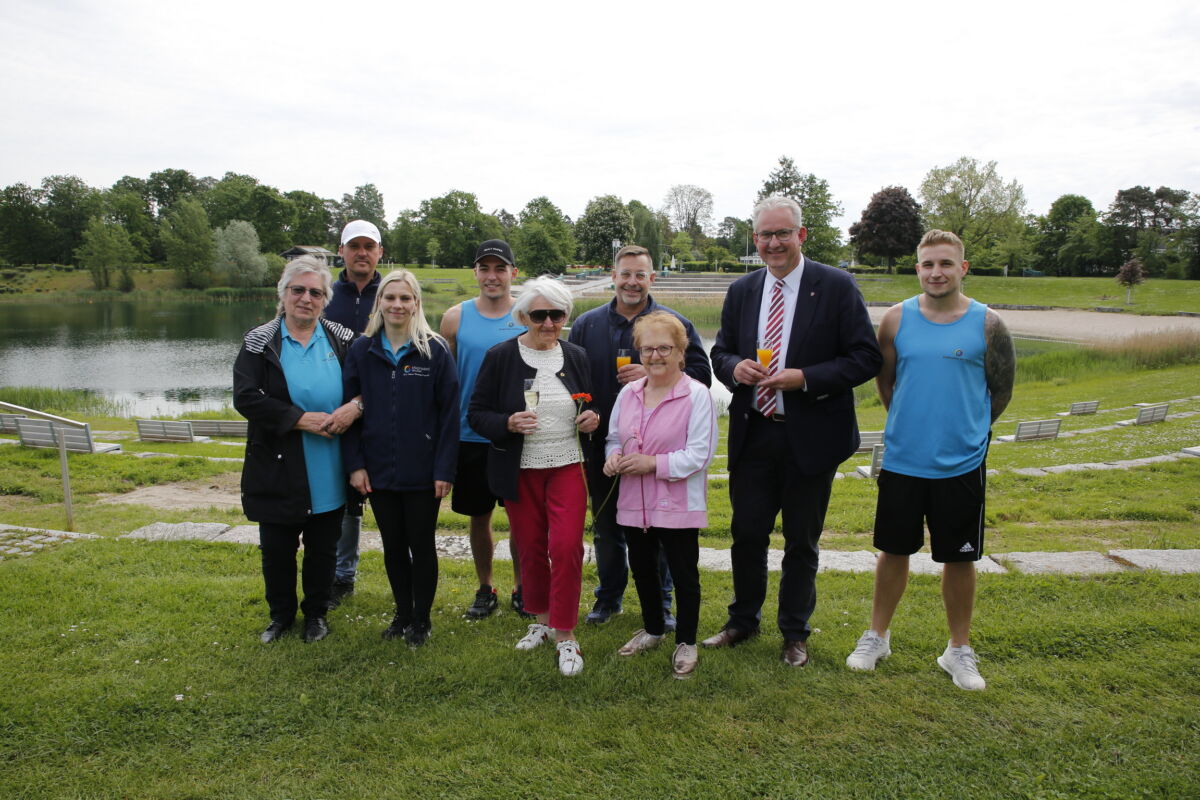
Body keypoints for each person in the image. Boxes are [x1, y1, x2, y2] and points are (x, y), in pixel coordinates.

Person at [706, 195, 882, 666]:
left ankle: (794, 632)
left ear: (801, 236)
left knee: (801, 541)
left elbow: (866, 357)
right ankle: (742, 621)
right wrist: (733, 368)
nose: (773, 243)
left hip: (810, 434)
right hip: (754, 430)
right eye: (765, 235)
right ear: (755, 239)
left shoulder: (837, 286)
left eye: (782, 233)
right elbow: (719, 352)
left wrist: (804, 378)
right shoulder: (743, 290)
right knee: (747, 535)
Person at [845, 229, 1014, 690]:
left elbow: (1000, 392)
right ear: (917, 268)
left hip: (961, 463)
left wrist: (967, 431)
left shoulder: (988, 324)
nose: (936, 272)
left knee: (959, 558)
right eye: (927, 264)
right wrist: (912, 423)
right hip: (903, 459)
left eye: (945, 263)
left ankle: (958, 649)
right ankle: (877, 636)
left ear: (963, 268)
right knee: (892, 551)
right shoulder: (896, 320)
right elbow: (886, 384)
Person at [568, 244, 711, 628]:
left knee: (661, 529)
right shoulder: (588, 323)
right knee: (607, 525)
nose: (632, 282)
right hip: (605, 443)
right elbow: (574, 379)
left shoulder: (673, 322)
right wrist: (588, 413)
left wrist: (654, 375)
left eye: (640, 274)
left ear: (652, 278)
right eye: (625, 274)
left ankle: (661, 604)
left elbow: (700, 374)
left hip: (663, 445)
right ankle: (609, 596)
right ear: (613, 277)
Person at [468, 277, 600, 676]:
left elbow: (588, 406)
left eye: (556, 314)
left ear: (565, 316)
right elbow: (476, 414)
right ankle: (541, 620)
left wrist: (592, 419)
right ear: (523, 315)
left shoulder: (576, 355)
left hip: (566, 464)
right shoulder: (501, 356)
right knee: (529, 547)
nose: (548, 322)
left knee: (565, 547)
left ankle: (566, 634)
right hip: (521, 468)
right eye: (539, 314)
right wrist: (507, 421)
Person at [233, 255, 362, 644]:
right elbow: (245, 397)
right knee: (277, 548)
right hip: (277, 462)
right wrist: (298, 418)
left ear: (325, 299)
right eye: (298, 290)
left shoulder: (343, 340)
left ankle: (317, 615)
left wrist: (355, 407)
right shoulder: (259, 342)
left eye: (316, 292)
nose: (306, 298)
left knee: (323, 548)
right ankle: (280, 616)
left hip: (328, 463)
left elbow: (367, 388)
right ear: (284, 294)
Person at [341, 270, 459, 648]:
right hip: (377, 470)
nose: (397, 305)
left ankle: (421, 620)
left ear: (416, 304)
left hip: (423, 472)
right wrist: (355, 464)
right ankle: (402, 614)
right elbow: (349, 411)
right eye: (390, 297)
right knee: (393, 546)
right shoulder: (362, 349)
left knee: (421, 544)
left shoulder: (434, 350)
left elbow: (449, 415)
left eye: (405, 298)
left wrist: (444, 468)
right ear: (379, 303)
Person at [604, 312, 716, 679]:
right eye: (648, 349)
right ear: (639, 352)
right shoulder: (628, 392)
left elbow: (699, 456)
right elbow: (614, 437)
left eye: (664, 348)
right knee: (642, 569)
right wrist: (612, 458)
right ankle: (653, 629)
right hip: (634, 502)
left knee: (684, 574)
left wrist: (652, 463)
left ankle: (686, 640)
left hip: (677, 502)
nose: (655, 356)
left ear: (681, 351)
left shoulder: (697, 395)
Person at [440, 240, 526, 619]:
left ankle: (524, 588)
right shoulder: (454, 318)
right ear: (475, 272)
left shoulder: (527, 317)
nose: (492, 276)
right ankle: (485, 586)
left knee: (522, 517)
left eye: (500, 268)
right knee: (479, 516)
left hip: (517, 435)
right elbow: (445, 379)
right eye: (485, 268)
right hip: (469, 434)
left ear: (513, 273)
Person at [323, 219, 385, 608]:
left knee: (379, 490)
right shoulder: (325, 293)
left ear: (379, 252)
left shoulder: (392, 293)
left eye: (369, 246)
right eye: (354, 246)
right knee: (341, 497)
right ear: (342, 251)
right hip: (333, 405)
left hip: (379, 406)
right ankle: (340, 574)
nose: (362, 252)